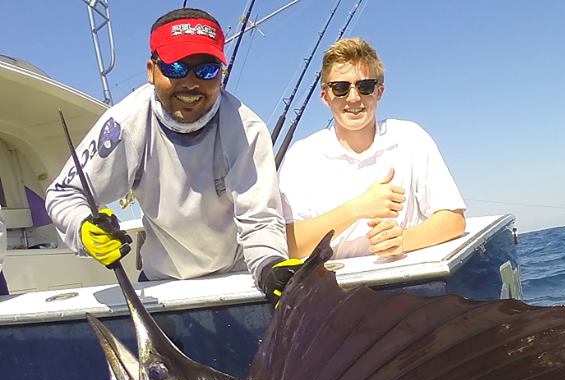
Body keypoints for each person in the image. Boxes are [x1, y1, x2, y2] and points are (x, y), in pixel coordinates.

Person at [45, 8, 299, 299]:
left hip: (238, 281)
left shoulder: (247, 128)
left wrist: (270, 267)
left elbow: (260, 220)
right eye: (176, 67)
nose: (191, 82)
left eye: (206, 69)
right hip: (160, 285)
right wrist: (82, 226)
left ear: (221, 74)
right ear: (151, 71)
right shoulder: (125, 123)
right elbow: (64, 193)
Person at [279, 38, 466, 260]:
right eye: (340, 88)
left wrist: (403, 240)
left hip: (408, 281)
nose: (354, 98)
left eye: (365, 86)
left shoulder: (411, 137)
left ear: (379, 92)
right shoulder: (300, 156)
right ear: (325, 96)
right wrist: (357, 208)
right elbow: (289, 246)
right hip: (331, 289)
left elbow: (454, 219)